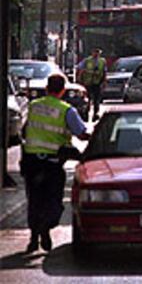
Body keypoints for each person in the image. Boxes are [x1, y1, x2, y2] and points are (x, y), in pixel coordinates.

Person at [21, 74, 90, 253]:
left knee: (34, 200)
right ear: (63, 90)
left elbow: (24, 131)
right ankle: (45, 226)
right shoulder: (66, 110)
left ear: (46, 88)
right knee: (54, 202)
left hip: (32, 162)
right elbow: (81, 133)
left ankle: (33, 238)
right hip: (52, 164)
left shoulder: (34, 106)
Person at [77, 47, 107, 121]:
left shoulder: (102, 61)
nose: (96, 53)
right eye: (95, 52)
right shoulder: (87, 60)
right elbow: (80, 68)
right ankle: (86, 115)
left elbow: (104, 72)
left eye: (98, 52)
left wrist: (104, 81)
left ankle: (95, 115)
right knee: (88, 100)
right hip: (88, 83)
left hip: (97, 83)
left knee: (97, 100)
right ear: (92, 52)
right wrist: (79, 79)